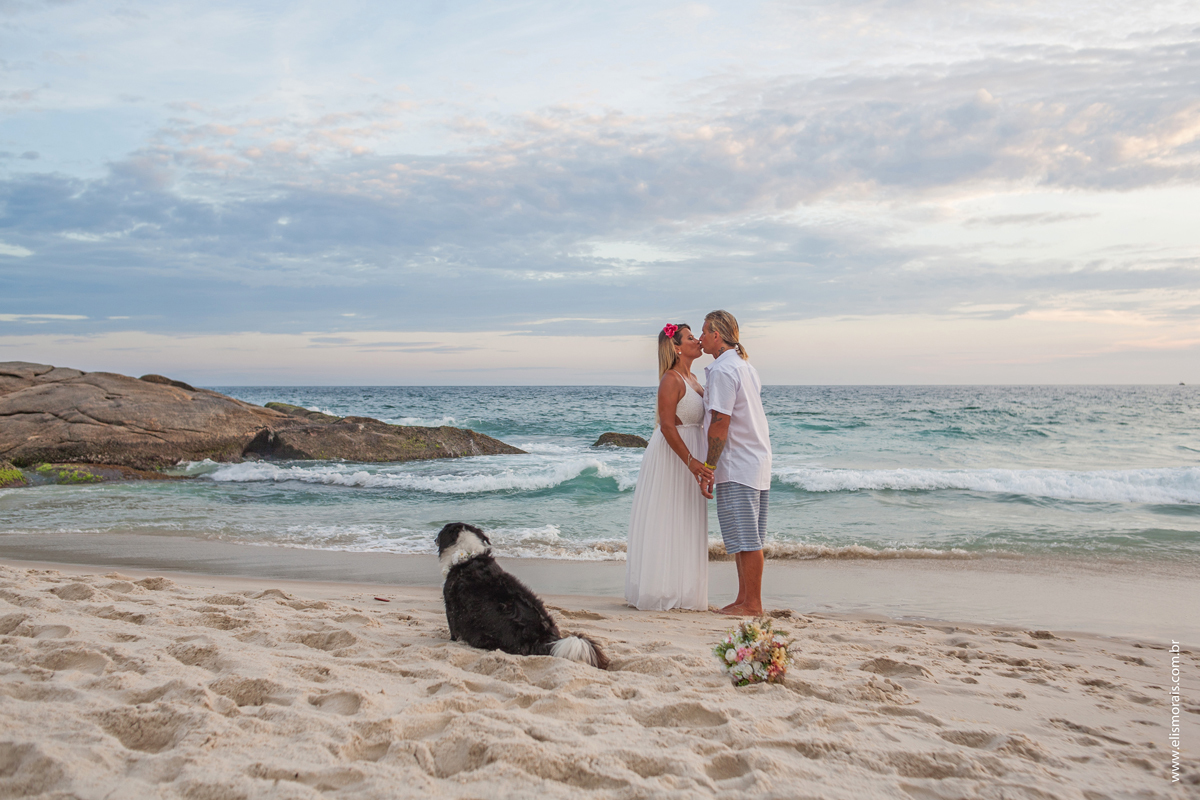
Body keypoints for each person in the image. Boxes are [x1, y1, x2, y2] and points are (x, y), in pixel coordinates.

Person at [624, 323, 711, 611]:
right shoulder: (671, 380)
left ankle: (684, 590)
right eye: (689, 338)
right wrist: (691, 462)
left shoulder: (695, 378)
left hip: (690, 454)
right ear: (676, 347)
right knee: (667, 517)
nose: (697, 340)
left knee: (686, 519)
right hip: (673, 457)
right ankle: (660, 590)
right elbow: (666, 426)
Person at [696, 310, 772, 616]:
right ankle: (744, 599)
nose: (700, 338)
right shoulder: (744, 367)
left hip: (738, 461)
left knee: (747, 538)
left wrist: (709, 467)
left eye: (703, 332)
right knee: (743, 536)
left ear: (716, 335)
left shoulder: (724, 371)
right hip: (754, 459)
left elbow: (720, 421)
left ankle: (752, 603)